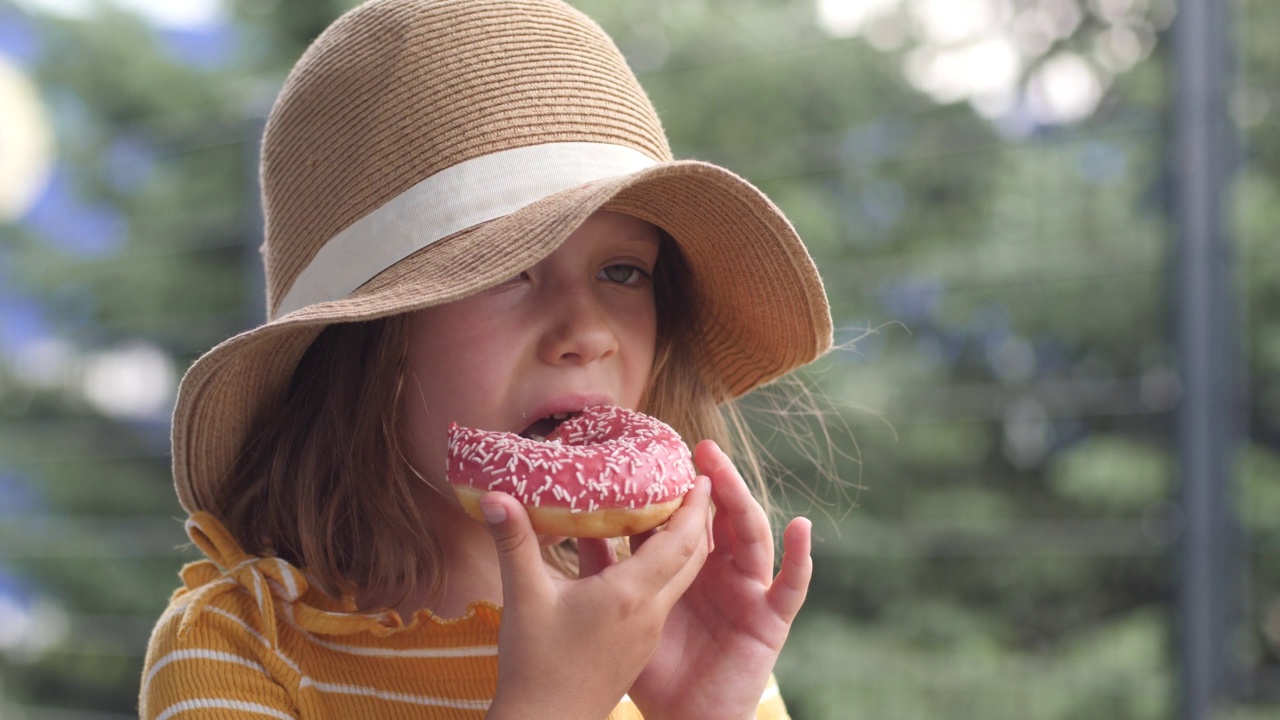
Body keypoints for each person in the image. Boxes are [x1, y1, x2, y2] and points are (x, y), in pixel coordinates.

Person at [139, 0, 834, 717]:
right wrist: (550, 702)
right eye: (510, 270)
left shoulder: (671, 628)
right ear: (368, 339)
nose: (586, 332)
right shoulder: (236, 645)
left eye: (623, 272)